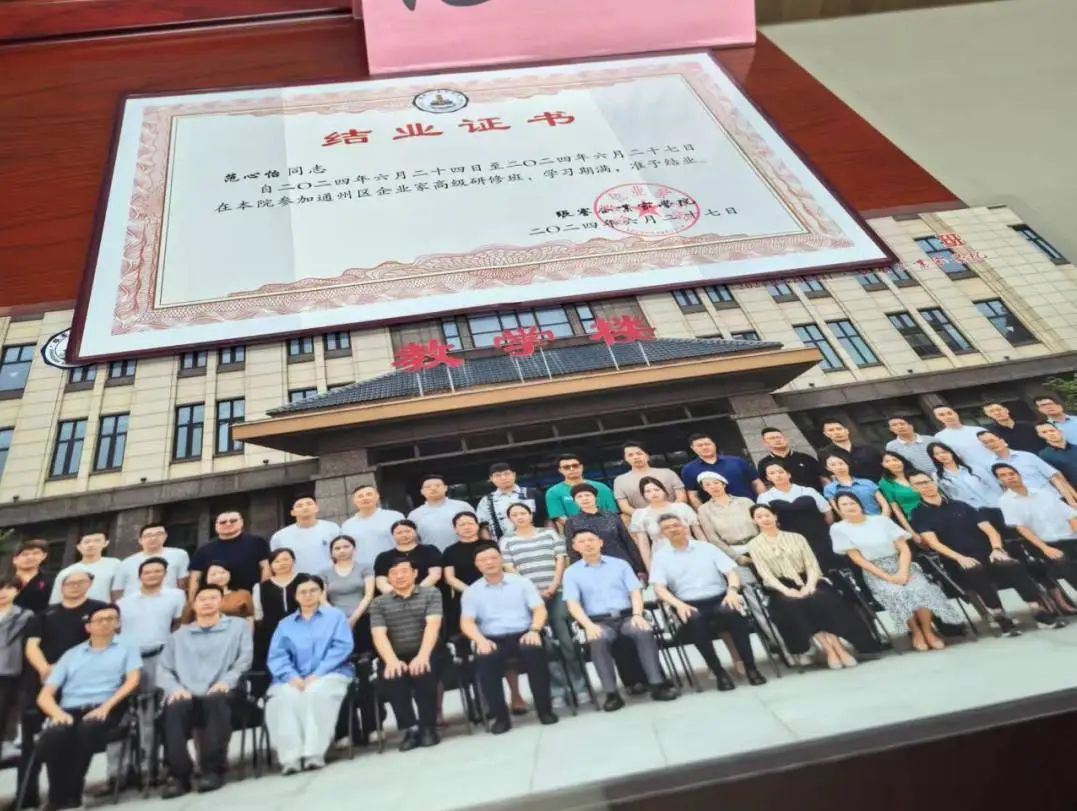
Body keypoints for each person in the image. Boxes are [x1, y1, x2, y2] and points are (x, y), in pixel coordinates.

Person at [908, 472, 1062, 631]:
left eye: (927, 481)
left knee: (1011, 564)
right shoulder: (918, 514)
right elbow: (933, 543)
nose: (926, 486)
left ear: (934, 482)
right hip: (956, 560)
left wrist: (997, 549)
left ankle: (1038, 611)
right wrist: (960, 558)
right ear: (914, 489)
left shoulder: (961, 505)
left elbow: (990, 530)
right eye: (919, 484)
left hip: (987, 553)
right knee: (974, 570)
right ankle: (1000, 616)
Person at [36, 603, 141, 811]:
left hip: (106, 707)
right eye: (99, 620)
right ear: (88, 627)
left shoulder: (127, 647)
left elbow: (132, 681)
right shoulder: (71, 654)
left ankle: (73, 797)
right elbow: (44, 696)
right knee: (54, 735)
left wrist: (106, 707)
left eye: (111, 619)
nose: (105, 623)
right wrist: (57, 713)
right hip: (69, 709)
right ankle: (57, 798)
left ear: (118, 623)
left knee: (86, 730)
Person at [746, 504, 879, 668]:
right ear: (754, 520)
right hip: (782, 585)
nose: (764, 519)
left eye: (767, 515)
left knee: (824, 599)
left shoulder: (796, 537)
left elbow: (811, 563)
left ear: (775, 516)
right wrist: (787, 590)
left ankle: (839, 648)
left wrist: (809, 585)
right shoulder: (754, 545)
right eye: (759, 517)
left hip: (810, 579)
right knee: (796, 605)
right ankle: (829, 650)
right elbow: (765, 574)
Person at [18, 570, 107, 809]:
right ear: (61, 586)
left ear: (89, 584)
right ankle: (26, 797)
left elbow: (104, 643)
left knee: (68, 739)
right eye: (69, 582)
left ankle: (66, 794)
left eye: (80, 582)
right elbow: (32, 646)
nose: (74, 586)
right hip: (45, 684)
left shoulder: (99, 610)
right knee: (33, 743)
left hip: (83, 686)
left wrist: (70, 667)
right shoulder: (44, 614)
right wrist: (45, 669)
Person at [830, 493, 962, 651]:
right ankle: (916, 632)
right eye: (844, 505)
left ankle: (928, 631)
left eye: (852, 503)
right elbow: (858, 559)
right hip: (876, 572)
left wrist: (903, 572)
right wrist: (888, 577)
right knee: (897, 593)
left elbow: (904, 549)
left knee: (920, 588)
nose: (849, 507)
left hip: (901, 564)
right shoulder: (838, 529)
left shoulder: (881, 521)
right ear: (838, 509)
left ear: (859, 504)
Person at [563, 530, 678, 710]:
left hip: (627, 616)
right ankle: (611, 694)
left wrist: (638, 615)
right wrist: (588, 626)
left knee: (642, 630)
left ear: (600, 542)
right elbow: (573, 604)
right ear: (575, 547)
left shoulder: (620, 564)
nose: (588, 544)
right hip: (597, 621)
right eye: (582, 541)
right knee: (598, 638)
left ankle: (657, 684)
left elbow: (635, 591)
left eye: (591, 540)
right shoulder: (571, 572)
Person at [157, 583, 253, 798]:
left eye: (212, 598)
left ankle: (212, 770)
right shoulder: (179, 636)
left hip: (225, 693)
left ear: (221, 602)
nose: (207, 602)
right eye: (202, 599)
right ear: (193, 605)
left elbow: (244, 660)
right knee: (174, 707)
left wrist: (227, 681)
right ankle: (178, 776)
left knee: (216, 700)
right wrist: (175, 689)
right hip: (189, 694)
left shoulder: (238, 627)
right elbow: (163, 669)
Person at [651, 516, 766, 689]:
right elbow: (659, 588)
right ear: (662, 533)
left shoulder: (706, 548)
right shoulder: (661, 557)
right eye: (667, 528)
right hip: (688, 603)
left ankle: (751, 667)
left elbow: (731, 573)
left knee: (731, 612)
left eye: (676, 525)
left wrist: (732, 591)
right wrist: (678, 604)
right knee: (694, 619)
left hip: (720, 597)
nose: (673, 529)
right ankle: (719, 673)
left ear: (684, 527)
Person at [459, 544, 559, 733]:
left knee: (534, 651)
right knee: (485, 659)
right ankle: (501, 718)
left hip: (524, 633)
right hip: (492, 639)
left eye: (493, 558)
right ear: (477, 564)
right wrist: (480, 640)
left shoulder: (521, 583)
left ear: (501, 559)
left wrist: (534, 630)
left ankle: (545, 710)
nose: (489, 562)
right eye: (483, 560)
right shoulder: (472, 591)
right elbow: (467, 622)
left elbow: (539, 609)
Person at [500, 503, 589, 703]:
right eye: (515, 514)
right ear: (510, 519)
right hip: (530, 599)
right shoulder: (506, 541)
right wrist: (533, 591)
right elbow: (510, 568)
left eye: (523, 513)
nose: (520, 517)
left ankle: (580, 686)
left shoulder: (549, 534)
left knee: (566, 641)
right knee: (544, 646)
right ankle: (557, 690)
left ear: (530, 515)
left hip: (556, 593)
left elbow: (561, 560)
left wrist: (554, 585)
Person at [266, 574, 354, 774]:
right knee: (284, 698)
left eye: (313, 590)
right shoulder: (285, 625)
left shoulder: (335, 617)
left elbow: (342, 647)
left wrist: (319, 673)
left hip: (331, 673)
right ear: (295, 596)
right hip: (293, 678)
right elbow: (277, 656)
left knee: (316, 693)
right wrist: (292, 676)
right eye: (303, 592)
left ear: (322, 592)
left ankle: (314, 753)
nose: (308, 595)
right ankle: (291, 758)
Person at [115, 557, 186, 776]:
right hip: (133, 660)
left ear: (165, 574)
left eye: (157, 571)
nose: (152, 575)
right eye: (147, 572)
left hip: (162, 656)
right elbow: (118, 631)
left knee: (163, 711)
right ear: (140, 576)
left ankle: (165, 763)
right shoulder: (124, 603)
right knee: (139, 713)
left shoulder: (176, 596)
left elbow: (178, 624)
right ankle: (139, 767)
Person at [369, 557, 443, 751]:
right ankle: (409, 728)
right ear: (388, 578)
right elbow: (378, 634)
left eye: (404, 571)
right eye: (394, 573)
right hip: (395, 654)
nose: (399, 576)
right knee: (393, 676)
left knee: (423, 671)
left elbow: (433, 625)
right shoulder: (378, 603)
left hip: (427, 650)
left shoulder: (431, 593)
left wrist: (423, 656)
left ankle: (428, 727)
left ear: (415, 573)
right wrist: (392, 661)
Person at [320, 534, 377, 747]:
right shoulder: (324, 573)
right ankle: (345, 730)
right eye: (337, 548)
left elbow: (368, 594)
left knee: (366, 675)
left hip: (363, 622)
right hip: (335, 626)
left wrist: (353, 618)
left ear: (353, 548)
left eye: (346, 546)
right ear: (331, 552)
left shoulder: (365, 567)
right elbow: (322, 598)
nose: (342, 550)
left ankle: (373, 727)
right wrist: (340, 619)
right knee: (341, 676)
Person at [994, 463, 1077, 609]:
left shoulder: (1043, 493)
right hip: (1046, 544)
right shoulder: (1006, 501)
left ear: (1019, 475)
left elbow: (1070, 516)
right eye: (1003, 476)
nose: (1009, 478)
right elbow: (1021, 528)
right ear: (999, 480)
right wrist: (1045, 548)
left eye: (1012, 474)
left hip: (1071, 537)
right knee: (1062, 561)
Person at [757, 461, 839, 571]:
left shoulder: (808, 491)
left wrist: (825, 530)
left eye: (781, 472)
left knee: (831, 567)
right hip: (790, 542)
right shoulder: (765, 497)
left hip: (819, 537)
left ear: (788, 474)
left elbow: (827, 512)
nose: (777, 475)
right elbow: (766, 523)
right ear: (768, 478)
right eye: (772, 473)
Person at [978, 429, 1077, 506]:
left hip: (1053, 500)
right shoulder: (990, 466)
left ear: (1002, 440)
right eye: (986, 443)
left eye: (992, 440)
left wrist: (1071, 501)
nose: (991, 444)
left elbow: (1054, 478)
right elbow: (1004, 489)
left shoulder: (1027, 456)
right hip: (1029, 506)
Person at [563, 484, 645, 574]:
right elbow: (572, 551)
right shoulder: (571, 522)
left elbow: (628, 541)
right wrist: (580, 572)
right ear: (574, 501)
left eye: (587, 495)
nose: (584, 498)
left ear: (596, 498)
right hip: (593, 568)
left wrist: (640, 568)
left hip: (621, 562)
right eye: (579, 497)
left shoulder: (612, 516)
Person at [188, 511, 270, 599]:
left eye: (233, 521)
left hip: (251, 599)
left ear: (242, 522)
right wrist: (191, 602)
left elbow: (265, 569)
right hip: (214, 601)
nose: (228, 524)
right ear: (216, 526)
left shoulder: (257, 542)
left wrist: (264, 595)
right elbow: (195, 579)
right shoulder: (203, 550)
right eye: (223, 522)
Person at [629, 477, 703, 568]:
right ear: (643, 495)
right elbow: (644, 545)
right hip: (663, 558)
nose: (653, 493)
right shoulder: (641, 514)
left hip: (692, 552)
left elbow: (699, 534)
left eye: (656, 489)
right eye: (648, 491)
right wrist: (650, 569)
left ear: (664, 491)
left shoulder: (682, 507)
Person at [680, 433, 764, 506]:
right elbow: (693, 495)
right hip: (718, 513)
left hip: (749, 506)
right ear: (692, 448)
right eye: (700, 445)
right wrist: (703, 513)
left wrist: (762, 503)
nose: (704, 447)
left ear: (714, 444)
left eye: (707, 444)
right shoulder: (689, 470)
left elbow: (756, 483)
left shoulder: (737, 461)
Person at [111, 523, 190, 598]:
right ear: (140, 540)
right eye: (148, 535)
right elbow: (117, 590)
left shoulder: (179, 555)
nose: (153, 538)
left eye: (158, 534)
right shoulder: (126, 563)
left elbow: (182, 583)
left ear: (165, 536)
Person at [340, 484, 406, 573]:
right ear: (354, 501)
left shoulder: (395, 516)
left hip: (395, 568)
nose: (365, 498)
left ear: (377, 496)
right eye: (360, 496)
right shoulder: (347, 525)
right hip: (363, 572)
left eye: (369, 494)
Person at [0, 578, 32, 757]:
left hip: (9, 669)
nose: (3, 592)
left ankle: (5, 744)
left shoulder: (24, 616)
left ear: (17, 591)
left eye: (8, 588)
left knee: (4, 709)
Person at [252, 548, 300, 668]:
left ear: (293, 561)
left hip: (303, 627)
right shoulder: (260, 587)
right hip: (272, 633)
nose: (282, 563)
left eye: (285, 559)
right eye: (277, 561)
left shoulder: (305, 580)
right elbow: (258, 615)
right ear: (270, 565)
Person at [544, 454, 618, 530]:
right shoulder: (553, 492)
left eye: (575, 465)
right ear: (560, 470)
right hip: (575, 532)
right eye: (566, 467)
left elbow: (612, 512)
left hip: (607, 529)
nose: (571, 469)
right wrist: (584, 530)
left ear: (581, 467)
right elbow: (560, 518)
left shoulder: (601, 487)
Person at [270, 496, 340, 576]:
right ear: (292, 512)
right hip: (297, 580)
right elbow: (275, 562)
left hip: (329, 577)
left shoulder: (332, 528)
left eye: (309, 504)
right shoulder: (279, 536)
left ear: (317, 508)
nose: (305, 507)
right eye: (299, 506)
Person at [928, 441, 1005, 513]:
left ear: (951, 452)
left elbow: (994, 485)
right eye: (937, 454)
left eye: (944, 452)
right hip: (974, 512)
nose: (942, 455)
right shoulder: (938, 477)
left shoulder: (974, 468)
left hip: (996, 505)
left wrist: (1003, 502)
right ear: (934, 457)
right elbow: (949, 496)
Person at [474, 462, 543, 542]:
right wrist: (491, 545)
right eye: (498, 475)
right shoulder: (486, 501)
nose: (503, 478)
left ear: (514, 475)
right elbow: (483, 528)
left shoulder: (533, 493)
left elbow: (546, 518)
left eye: (507, 474)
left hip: (538, 542)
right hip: (503, 545)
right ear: (491, 478)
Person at [613, 440, 685, 514]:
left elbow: (681, 496)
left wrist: (671, 513)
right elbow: (624, 507)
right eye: (630, 455)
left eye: (639, 453)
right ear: (625, 459)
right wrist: (644, 516)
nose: (636, 457)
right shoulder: (620, 481)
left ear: (647, 456)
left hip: (673, 515)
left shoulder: (668, 473)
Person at [696, 472, 757, 559]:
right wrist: (737, 558)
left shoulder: (745, 502)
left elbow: (761, 524)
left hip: (759, 545)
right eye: (708, 485)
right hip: (735, 551)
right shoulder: (704, 510)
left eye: (716, 483)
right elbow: (713, 538)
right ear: (704, 488)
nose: (713, 487)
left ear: (723, 484)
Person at [407, 474, 475, 553]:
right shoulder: (414, 515)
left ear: (445, 488)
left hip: (466, 552)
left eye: (437, 485)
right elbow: (413, 540)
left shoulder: (463, 506)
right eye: (428, 487)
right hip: (432, 557)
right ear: (422, 491)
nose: (433, 488)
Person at [50, 530, 121, 604]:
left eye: (97, 541)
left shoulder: (115, 564)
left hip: (105, 609)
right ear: (78, 547)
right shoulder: (67, 572)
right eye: (87, 542)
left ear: (106, 543)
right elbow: (56, 600)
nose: (91, 544)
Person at [373, 520, 442, 595]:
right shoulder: (383, 557)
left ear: (415, 532)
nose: (404, 535)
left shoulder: (430, 550)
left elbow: (435, 575)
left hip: (426, 594)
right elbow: (381, 582)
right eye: (399, 533)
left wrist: (415, 592)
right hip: (395, 597)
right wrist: (399, 594)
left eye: (408, 531)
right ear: (393, 535)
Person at [182, 562, 254, 623]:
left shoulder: (243, 594)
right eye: (213, 574)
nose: (219, 577)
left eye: (223, 572)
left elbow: (250, 617)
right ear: (206, 578)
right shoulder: (197, 597)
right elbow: (186, 622)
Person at [821, 454, 890, 517]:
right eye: (833, 465)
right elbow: (840, 513)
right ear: (827, 468)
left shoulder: (867, 482)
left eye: (841, 463)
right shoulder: (829, 489)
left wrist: (882, 521)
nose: (839, 467)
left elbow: (884, 504)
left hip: (878, 519)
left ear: (847, 464)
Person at [878, 451, 925, 540]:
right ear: (883, 465)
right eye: (887, 461)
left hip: (936, 513)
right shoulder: (885, 483)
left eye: (895, 459)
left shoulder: (918, 474)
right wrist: (911, 532)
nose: (893, 463)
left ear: (902, 461)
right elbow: (896, 509)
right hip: (916, 519)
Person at [816, 418, 883, 481]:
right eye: (831, 430)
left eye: (839, 429)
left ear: (846, 430)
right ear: (826, 434)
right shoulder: (825, 453)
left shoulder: (866, 447)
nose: (836, 432)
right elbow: (828, 475)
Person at [757, 427, 823, 489]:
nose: (777, 440)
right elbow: (765, 484)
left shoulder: (805, 457)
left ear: (785, 439)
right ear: (765, 443)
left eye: (779, 437)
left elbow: (822, 477)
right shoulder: (764, 463)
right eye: (772, 438)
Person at [11, 539, 53, 614]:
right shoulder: (4, 580)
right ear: (15, 559)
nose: (30, 557)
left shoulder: (50, 582)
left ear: (44, 556)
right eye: (25, 554)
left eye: (35, 553)